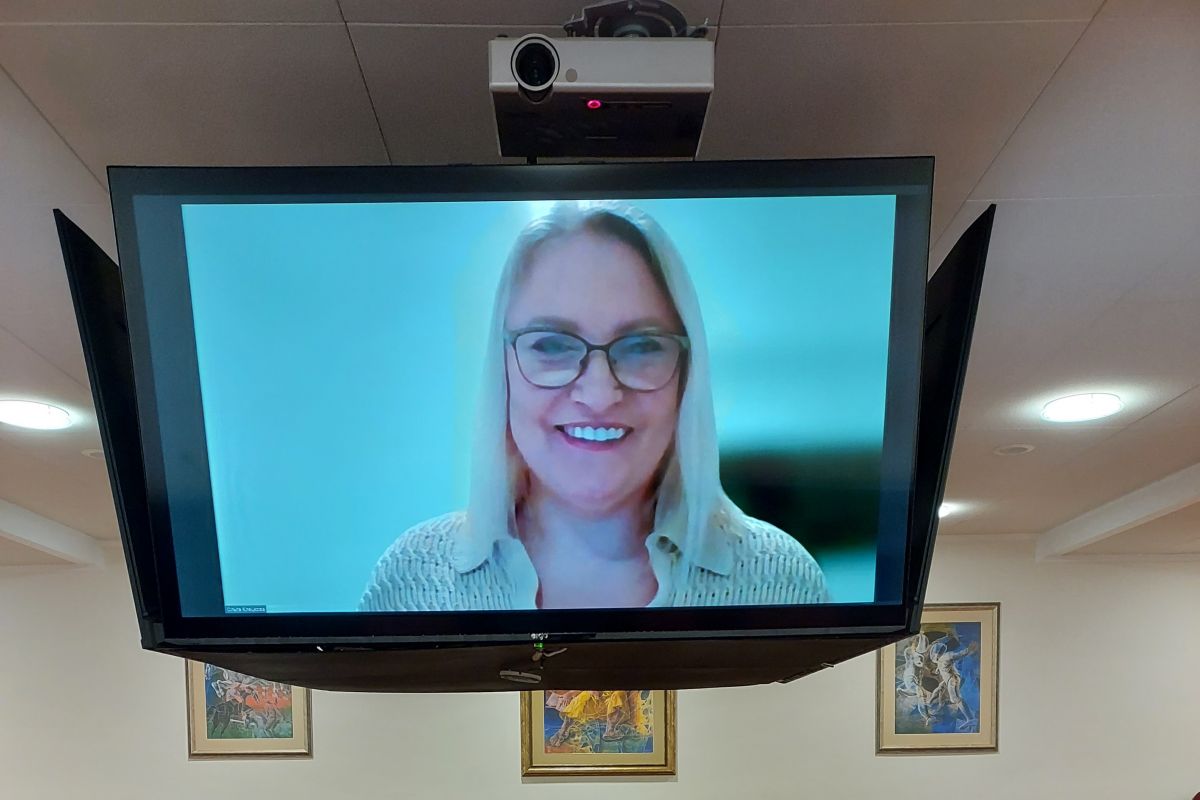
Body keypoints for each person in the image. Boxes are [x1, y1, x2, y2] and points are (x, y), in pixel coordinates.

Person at [360, 201, 827, 611]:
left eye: (641, 346)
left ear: (688, 372)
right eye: (552, 345)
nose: (600, 395)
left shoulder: (779, 580)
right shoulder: (413, 578)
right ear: (500, 369)